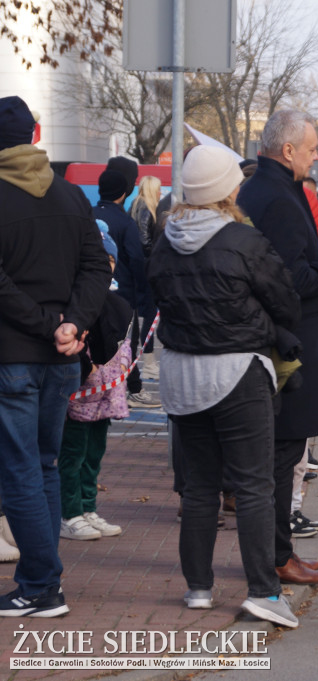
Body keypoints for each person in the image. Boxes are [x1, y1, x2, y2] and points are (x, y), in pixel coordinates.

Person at [148, 145, 303, 627]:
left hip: (181, 377)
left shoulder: (163, 242)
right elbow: (286, 302)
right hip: (238, 375)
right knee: (254, 485)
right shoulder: (243, 240)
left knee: (198, 487)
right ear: (225, 191)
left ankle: (198, 588)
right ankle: (264, 591)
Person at [0, 95, 111, 617]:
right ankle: (41, 583)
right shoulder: (71, 197)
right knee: (41, 466)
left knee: (21, 470)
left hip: (15, 357)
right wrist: (73, 324)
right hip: (60, 355)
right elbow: (98, 266)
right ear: (35, 135)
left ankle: (42, 585)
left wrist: (58, 325)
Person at [236, 109, 318, 586]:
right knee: (282, 457)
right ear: (288, 151)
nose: (316, 157)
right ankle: (275, 560)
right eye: (310, 150)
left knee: (281, 458)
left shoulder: (262, 188)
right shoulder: (281, 199)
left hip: (280, 340)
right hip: (288, 344)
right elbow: (293, 279)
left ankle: (279, 555)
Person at [57, 220, 132, 542]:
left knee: (94, 454)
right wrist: (84, 365)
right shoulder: (76, 302)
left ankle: (88, 507)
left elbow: (126, 343)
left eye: (111, 262)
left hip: (105, 395)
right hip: (78, 393)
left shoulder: (117, 301)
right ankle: (68, 513)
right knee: (71, 454)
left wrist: (134, 379)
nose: (107, 268)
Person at [93, 169, 161, 409]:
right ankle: (133, 388)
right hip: (122, 295)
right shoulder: (125, 222)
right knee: (126, 344)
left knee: (95, 343)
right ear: (123, 193)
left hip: (92, 293)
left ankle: (99, 386)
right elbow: (136, 258)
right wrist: (144, 293)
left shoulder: (88, 215)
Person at [130, 175, 163, 380]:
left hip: (137, 268)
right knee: (150, 315)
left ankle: (141, 361)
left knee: (139, 317)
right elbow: (144, 241)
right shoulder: (145, 208)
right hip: (146, 269)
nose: (161, 193)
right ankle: (149, 363)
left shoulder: (135, 205)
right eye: (159, 189)